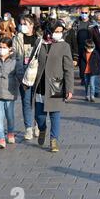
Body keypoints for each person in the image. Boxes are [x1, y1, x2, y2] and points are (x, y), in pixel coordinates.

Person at [32, 20, 74, 153]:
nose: (59, 34)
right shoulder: (39, 43)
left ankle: (54, 140)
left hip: (56, 83)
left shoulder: (64, 46)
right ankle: (42, 128)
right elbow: (32, 60)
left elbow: (69, 69)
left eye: (61, 32)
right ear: (49, 31)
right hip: (40, 84)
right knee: (40, 115)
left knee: (55, 114)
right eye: (56, 31)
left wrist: (69, 89)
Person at [0, 38, 21, 149]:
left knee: (10, 115)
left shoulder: (15, 60)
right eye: (0, 47)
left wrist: (23, 83)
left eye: (4, 47)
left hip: (10, 92)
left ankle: (10, 133)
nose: (1, 49)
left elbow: (19, 74)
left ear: (9, 48)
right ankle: (1, 138)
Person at [13, 15, 41, 140]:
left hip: (36, 73)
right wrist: (19, 73)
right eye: (21, 23)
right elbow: (14, 56)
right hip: (23, 73)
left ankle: (37, 125)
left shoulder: (39, 39)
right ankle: (28, 128)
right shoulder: (17, 38)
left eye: (25, 23)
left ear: (32, 25)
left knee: (37, 101)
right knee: (26, 101)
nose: (22, 26)